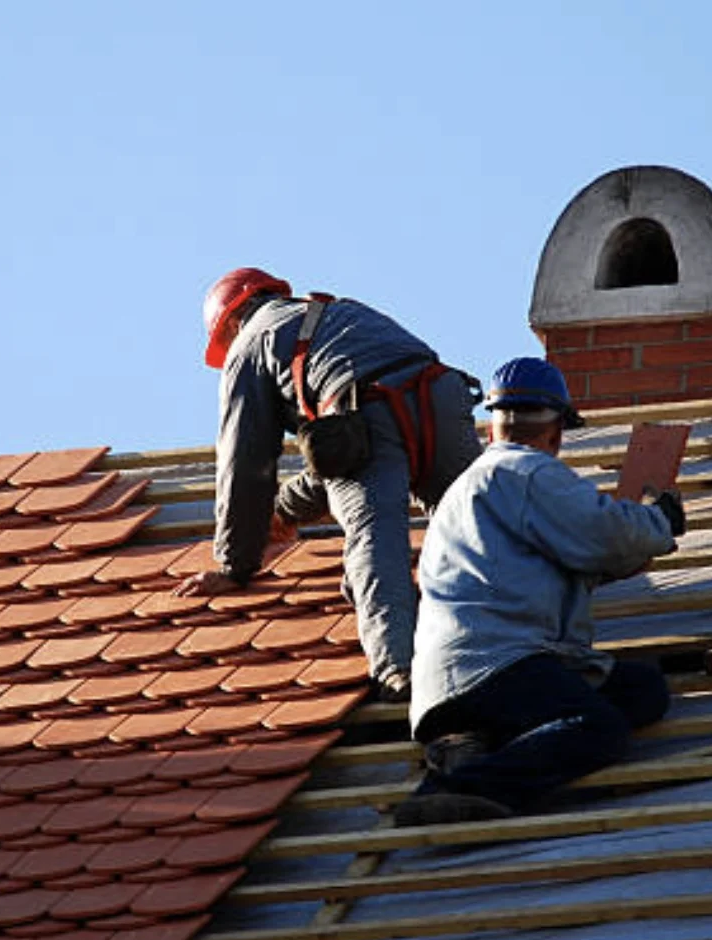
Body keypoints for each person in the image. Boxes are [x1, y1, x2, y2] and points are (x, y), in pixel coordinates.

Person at [395, 357, 685, 827]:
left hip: (463, 674)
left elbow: (569, 560)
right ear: (556, 433)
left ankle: (474, 746)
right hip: (496, 664)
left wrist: (629, 552)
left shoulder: (474, 488)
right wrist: (658, 521)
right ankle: (452, 790)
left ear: (492, 426)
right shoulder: (525, 472)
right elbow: (602, 530)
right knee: (601, 728)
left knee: (641, 689)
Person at [174, 267, 483, 701]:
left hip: (366, 417)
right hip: (441, 398)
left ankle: (400, 672)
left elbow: (245, 461)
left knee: (374, 541)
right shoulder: (338, 312)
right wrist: (283, 511)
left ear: (229, 322)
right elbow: (345, 455)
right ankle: (516, 626)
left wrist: (236, 564)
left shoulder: (250, 343)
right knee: (481, 519)